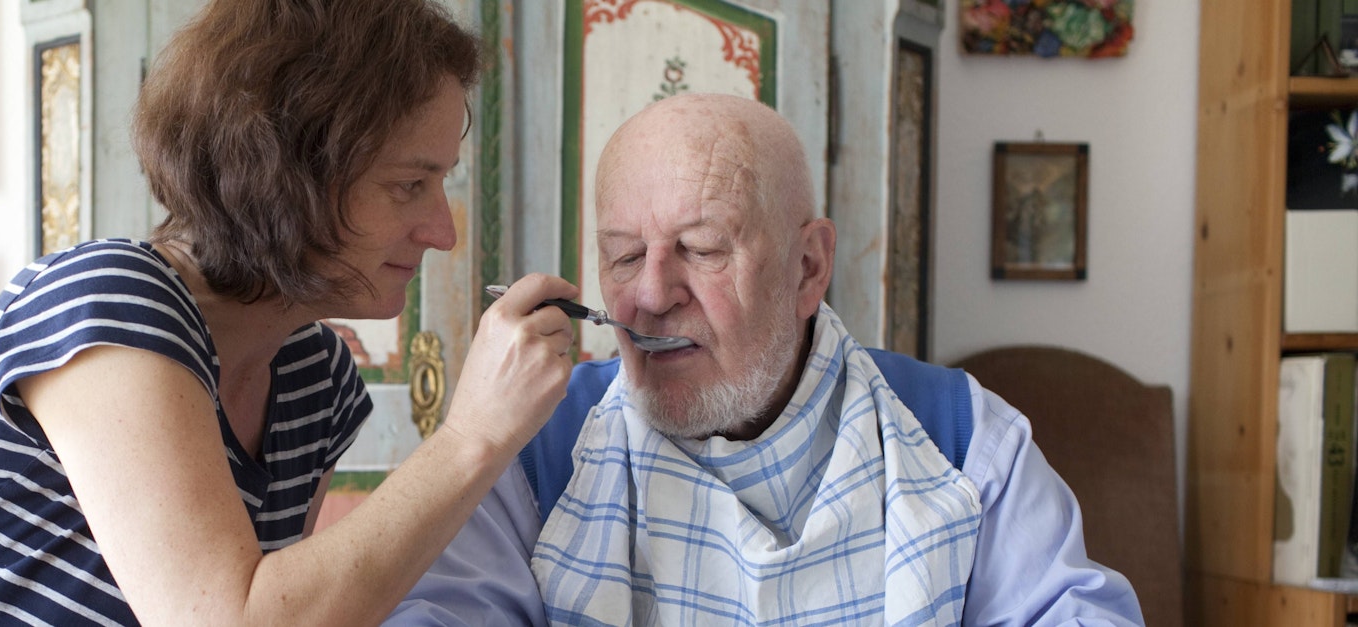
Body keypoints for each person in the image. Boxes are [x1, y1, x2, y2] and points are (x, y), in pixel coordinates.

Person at [0, 1, 581, 625]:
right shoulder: (106, 301)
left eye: (441, 181)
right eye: (408, 185)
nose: (443, 231)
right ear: (288, 173)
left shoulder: (316, 377)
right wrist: (474, 435)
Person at [387, 94, 1145, 626]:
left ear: (808, 267)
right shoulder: (532, 451)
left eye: (700, 249)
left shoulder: (962, 441)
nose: (650, 295)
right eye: (624, 256)